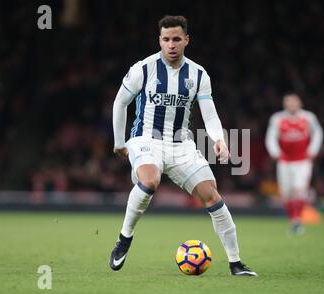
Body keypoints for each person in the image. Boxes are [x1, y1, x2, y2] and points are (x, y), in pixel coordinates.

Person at [110, 15, 257, 276]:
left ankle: (236, 263)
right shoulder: (143, 69)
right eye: (166, 39)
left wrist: (219, 140)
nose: (171, 44)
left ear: (186, 40)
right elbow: (120, 102)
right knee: (149, 180)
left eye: (176, 39)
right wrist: (119, 142)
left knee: (211, 196)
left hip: (182, 145)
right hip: (146, 140)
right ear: (159, 40)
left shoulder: (198, 74)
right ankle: (124, 238)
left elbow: (209, 113)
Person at [265, 92, 323, 235]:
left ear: (300, 103)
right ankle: (293, 221)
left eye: (293, 102)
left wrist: (313, 149)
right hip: (284, 161)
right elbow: (270, 137)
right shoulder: (277, 118)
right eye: (288, 102)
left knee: (299, 189)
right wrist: (275, 152)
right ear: (285, 104)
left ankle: (297, 220)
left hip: (302, 161)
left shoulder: (308, 117)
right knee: (286, 193)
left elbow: (318, 133)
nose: (291, 105)